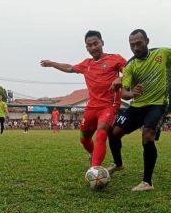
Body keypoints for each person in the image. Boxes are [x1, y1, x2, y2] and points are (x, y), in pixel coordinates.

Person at [108, 29, 171, 191]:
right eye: (132, 45)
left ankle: (147, 182)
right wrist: (132, 93)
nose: (135, 48)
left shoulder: (162, 53)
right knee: (113, 132)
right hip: (137, 106)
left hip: (158, 104)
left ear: (147, 41)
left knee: (147, 135)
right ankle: (118, 164)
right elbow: (124, 93)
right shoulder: (130, 66)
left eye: (139, 43)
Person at [41, 30, 126, 167]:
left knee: (101, 132)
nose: (93, 47)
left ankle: (95, 168)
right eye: (89, 45)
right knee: (84, 139)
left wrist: (120, 78)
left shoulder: (115, 59)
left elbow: (131, 71)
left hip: (109, 106)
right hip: (91, 107)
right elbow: (69, 68)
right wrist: (51, 63)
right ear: (86, 48)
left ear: (102, 43)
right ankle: (93, 154)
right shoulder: (86, 64)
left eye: (95, 43)